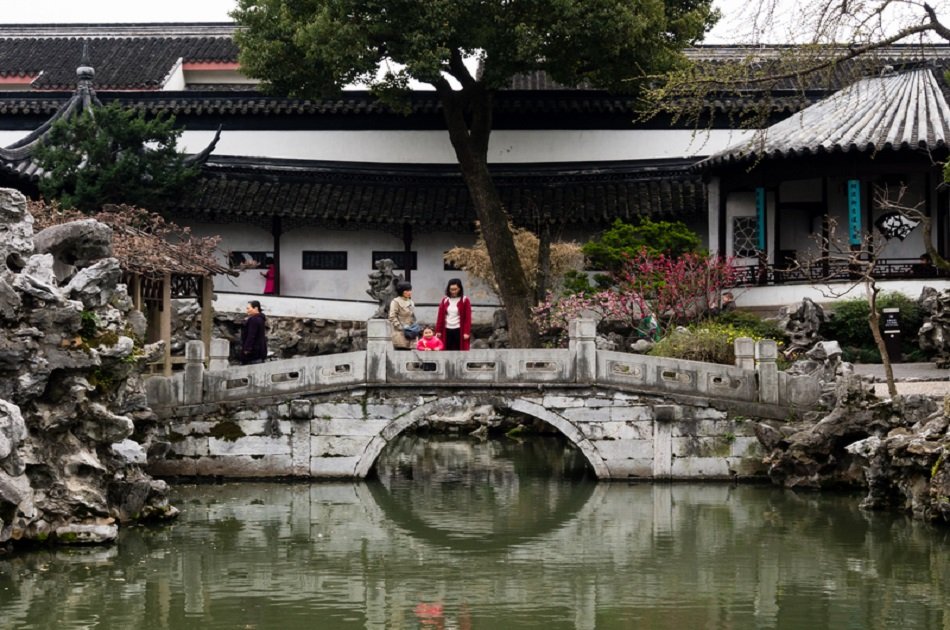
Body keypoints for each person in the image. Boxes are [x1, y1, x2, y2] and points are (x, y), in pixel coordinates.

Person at [435, 278, 472, 351]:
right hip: (447, 329)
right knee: (446, 349)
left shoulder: (465, 300)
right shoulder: (445, 300)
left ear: (460, 289)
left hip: (459, 329)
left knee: (459, 350)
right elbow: (440, 317)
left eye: (455, 289)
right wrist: (438, 331)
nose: (453, 291)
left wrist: (466, 332)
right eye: (451, 289)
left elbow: (468, 318)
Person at [388, 281, 418, 349]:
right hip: (400, 332)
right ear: (401, 291)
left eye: (410, 290)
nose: (409, 292)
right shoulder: (395, 301)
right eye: (406, 291)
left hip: (411, 331)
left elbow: (412, 316)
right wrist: (400, 327)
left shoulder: (411, 302)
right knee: (401, 351)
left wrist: (415, 327)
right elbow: (392, 316)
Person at [240, 300, 268, 364]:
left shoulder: (254, 319)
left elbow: (251, 335)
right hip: (260, 351)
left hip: (253, 353)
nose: (247, 310)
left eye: (248, 308)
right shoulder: (261, 319)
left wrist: (246, 349)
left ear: (255, 308)